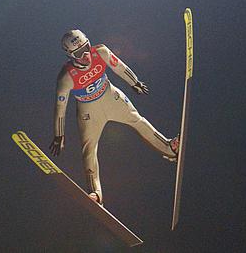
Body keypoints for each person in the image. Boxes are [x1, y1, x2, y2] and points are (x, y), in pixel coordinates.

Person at [50, 28, 179, 205]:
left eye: (86, 47)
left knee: (137, 120)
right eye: (79, 53)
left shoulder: (100, 52)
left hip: (111, 97)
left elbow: (118, 66)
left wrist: (135, 82)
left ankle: (168, 148)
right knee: (89, 149)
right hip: (88, 111)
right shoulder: (66, 76)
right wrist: (59, 135)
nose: (86, 55)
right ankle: (95, 193)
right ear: (70, 55)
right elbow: (60, 106)